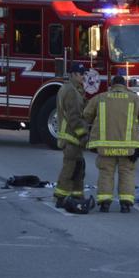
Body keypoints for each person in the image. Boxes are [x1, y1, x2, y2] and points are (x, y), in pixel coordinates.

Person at [83, 74, 139, 213]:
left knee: (106, 173)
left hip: (105, 146)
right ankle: (125, 203)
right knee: (126, 173)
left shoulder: (100, 98)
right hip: (128, 147)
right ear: (125, 85)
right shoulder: (135, 98)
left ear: (111, 85)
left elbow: (87, 115)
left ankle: (105, 203)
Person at [52, 63, 89, 209]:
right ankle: (60, 197)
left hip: (71, 137)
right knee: (70, 168)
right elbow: (74, 117)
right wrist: (83, 135)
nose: (83, 76)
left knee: (79, 167)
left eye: (83, 74)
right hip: (71, 137)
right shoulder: (71, 92)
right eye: (81, 74)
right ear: (73, 74)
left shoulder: (73, 90)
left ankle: (77, 195)